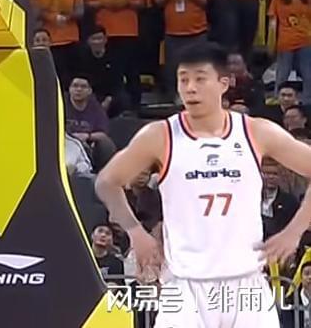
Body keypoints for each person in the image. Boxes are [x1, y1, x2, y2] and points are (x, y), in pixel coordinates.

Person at [96, 42, 311, 327]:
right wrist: (136, 232)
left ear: (224, 83)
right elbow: (107, 182)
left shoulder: (255, 131)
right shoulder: (160, 135)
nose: (190, 88)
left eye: (199, 79)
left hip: (246, 283)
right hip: (185, 285)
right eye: (183, 79)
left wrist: (294, 232)